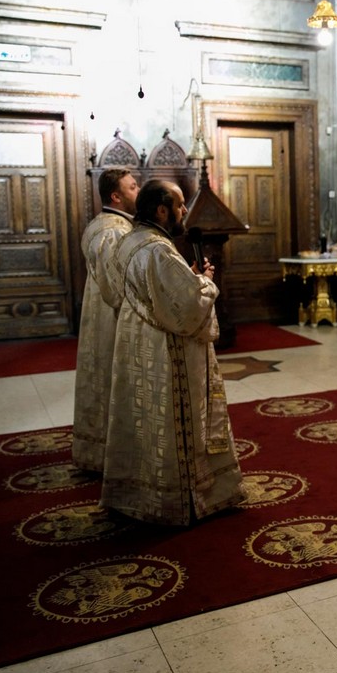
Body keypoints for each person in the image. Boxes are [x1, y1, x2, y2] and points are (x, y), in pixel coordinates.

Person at [101, 180, 244, 525]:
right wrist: (206, 282)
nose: (184, 212)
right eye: (180, 205)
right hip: (166, 350)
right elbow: (189, 306)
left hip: (138, 341)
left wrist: (188, 278)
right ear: (162, 210)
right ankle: (183, 496)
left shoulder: (130, 241)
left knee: (146, 421)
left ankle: (140, 492)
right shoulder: (158, 250)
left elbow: (154, 291)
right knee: (173, 419)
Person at [71, 168, 139, 473]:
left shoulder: (111, 225)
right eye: (133, 187)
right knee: (113, 379)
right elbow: (118, 285)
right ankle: (116, 456)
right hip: (113, 318)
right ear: (116, 196)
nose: (139, 191)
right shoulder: (114, 231)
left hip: (104, 315)